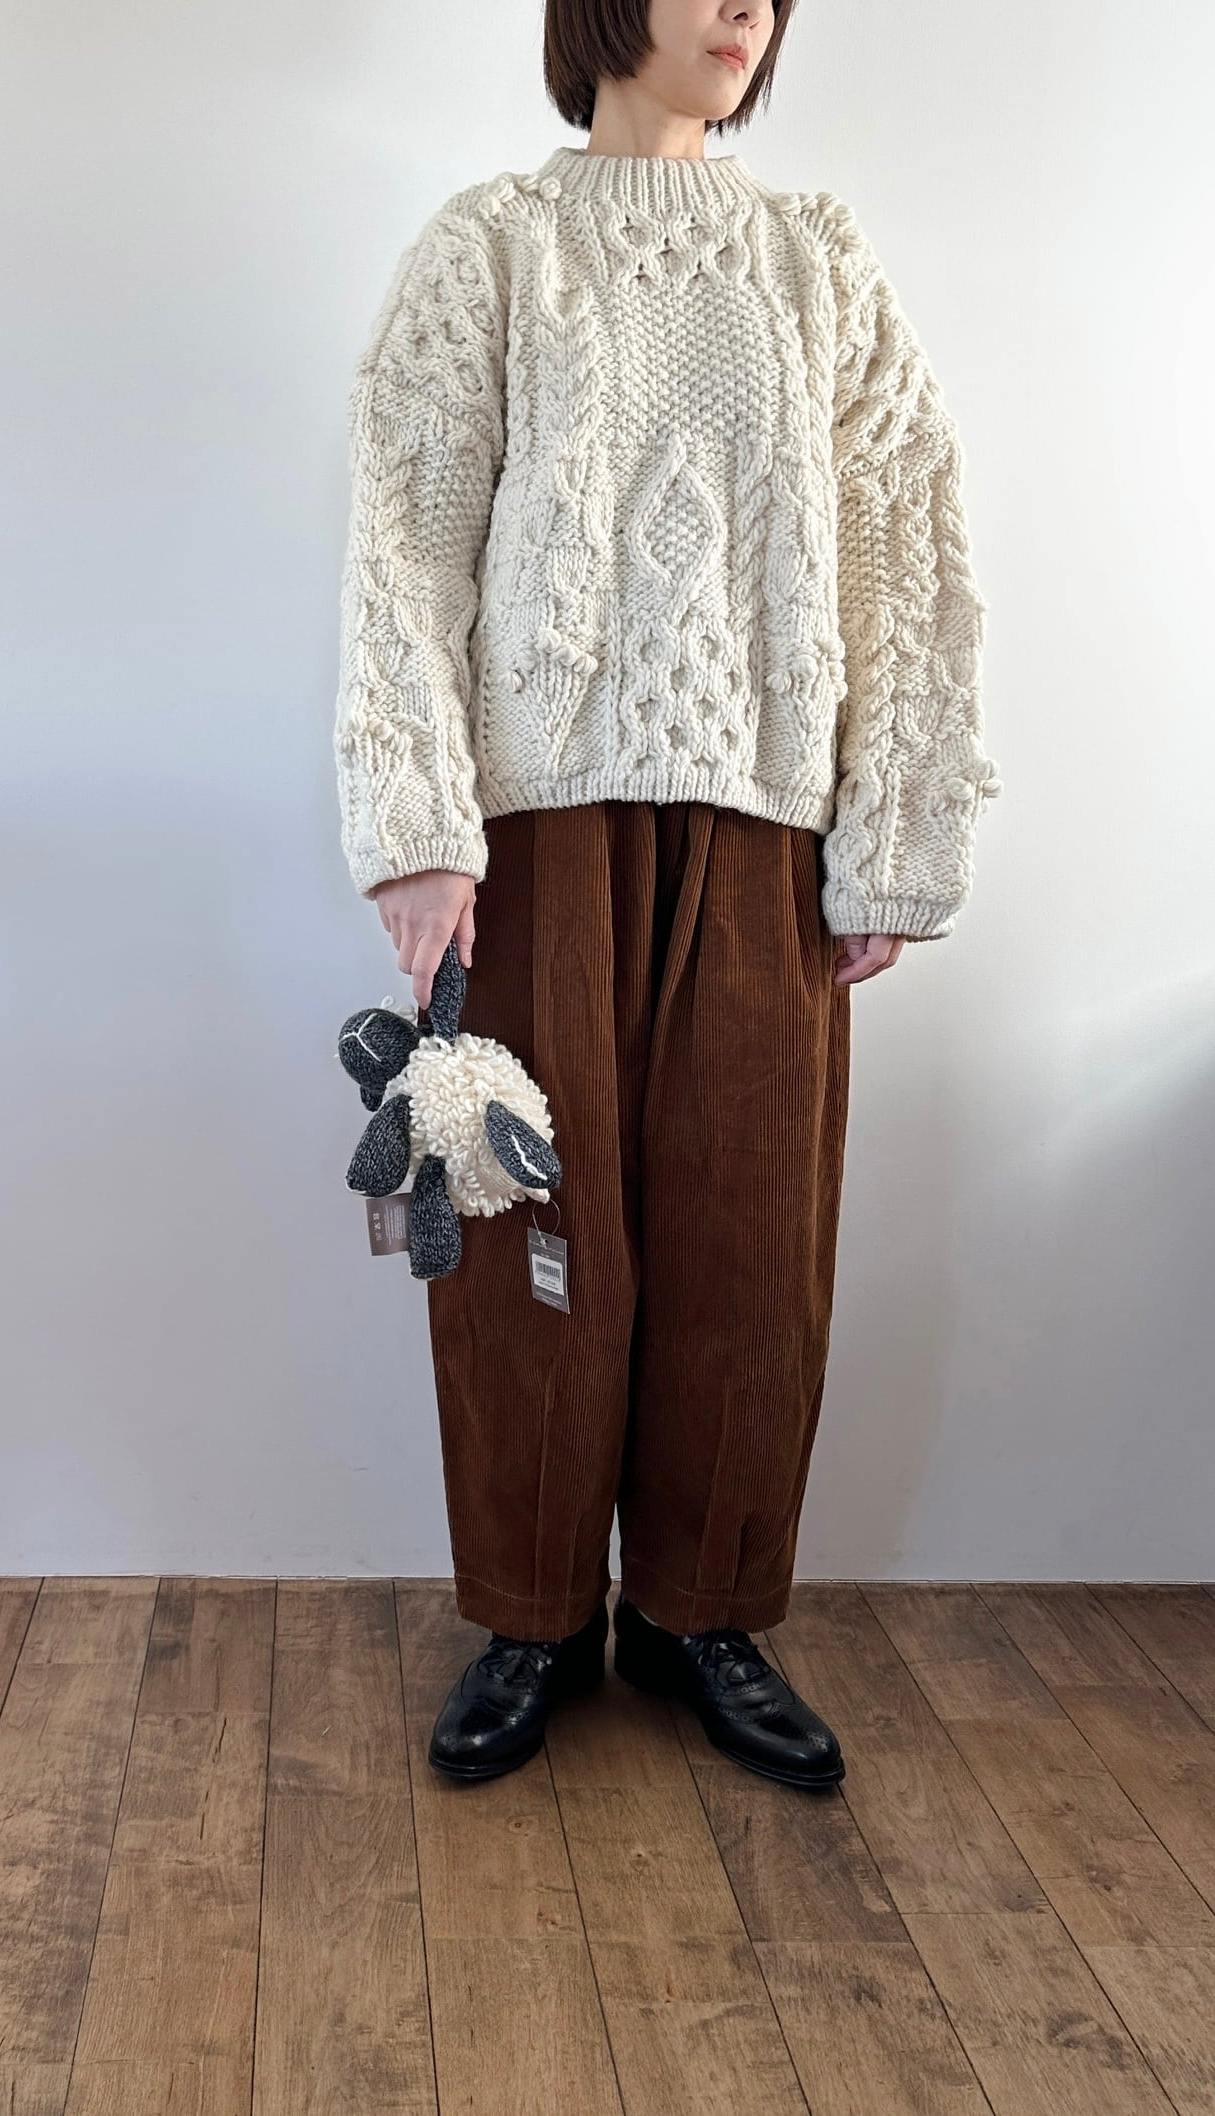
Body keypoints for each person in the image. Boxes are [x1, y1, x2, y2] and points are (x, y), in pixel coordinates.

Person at [331, 0, 1002, 1789]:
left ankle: (703, 1614)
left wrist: (894, 831)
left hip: (768, 828)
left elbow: (903, 543)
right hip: (532, 830)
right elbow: (405, 538)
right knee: (525, 1241)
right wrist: (417, 821)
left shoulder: (815, 255)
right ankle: (533, 1616)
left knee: (749, 1241)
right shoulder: (493, 243)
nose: (744, 11)